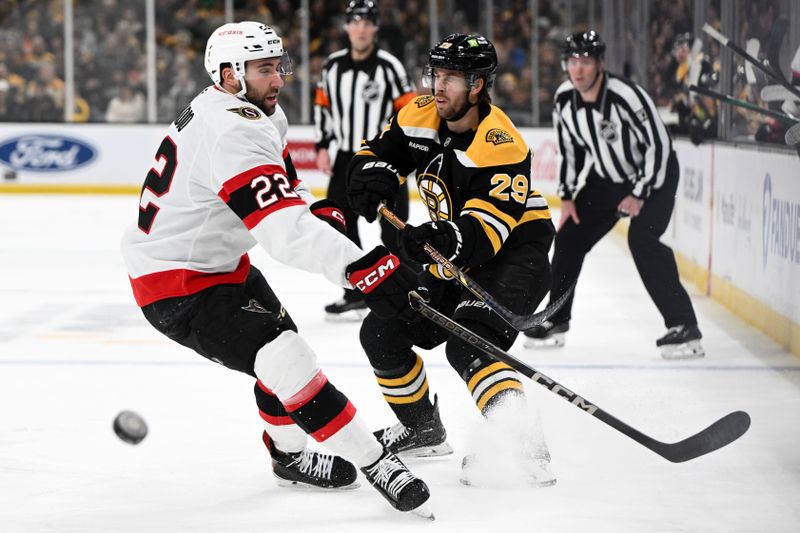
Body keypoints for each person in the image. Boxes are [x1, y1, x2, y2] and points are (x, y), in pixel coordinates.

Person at [120, 21, 432, 517]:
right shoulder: (232, 129)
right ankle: (378, 465)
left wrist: (316, 211)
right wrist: (360, 268)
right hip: (175, 285)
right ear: (228, 75)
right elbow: (283, 231)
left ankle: (288, 459)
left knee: (281, 351)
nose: (279, 79)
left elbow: (285, 192)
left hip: (217, 265)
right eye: (264, 69)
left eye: (277, 66)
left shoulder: (249, 112)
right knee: (285, 358)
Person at [346, 33, 557, 487]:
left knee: (469, 343)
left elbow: (486, 232)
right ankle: (424, 429)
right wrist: (372, 177)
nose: (438, 86)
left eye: (452, 78)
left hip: (515, 254)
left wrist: (439, 237)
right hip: (452, 252)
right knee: (382, 328)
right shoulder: (421, 115)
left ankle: (526, 442)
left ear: (478, 85)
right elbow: (375, 154)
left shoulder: (501, 143)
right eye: (436, 74)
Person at [523, 31, 705, 360]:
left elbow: (660, 146)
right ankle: (556, 319)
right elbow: (571, 150)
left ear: (601, 64)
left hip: (656, 177)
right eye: (572, 62)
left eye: (586, 62)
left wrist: (639, 194)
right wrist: (567, 198)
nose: (578, 70)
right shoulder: (564, 98)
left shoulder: (626, 96)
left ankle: (684, 325)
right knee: (568, 238)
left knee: (643, 239)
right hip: (607, 179)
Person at [314, 0, 416, 321]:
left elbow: (409, 113)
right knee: (340, 226)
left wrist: (406, 155)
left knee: (393, 231)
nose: (360, 28)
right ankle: (356, 292)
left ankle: (409, 292)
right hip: (346, 158)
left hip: (384, 158)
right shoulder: (332, 66)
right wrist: (322, 145)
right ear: (347, 27)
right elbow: (323, 107)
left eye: (367, 22)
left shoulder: (390, 67)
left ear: (375, 28)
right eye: (355, 22)